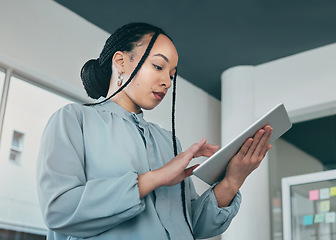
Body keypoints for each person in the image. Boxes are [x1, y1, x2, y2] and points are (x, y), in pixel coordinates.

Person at [36, 23, 273, 240]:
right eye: (158, 66)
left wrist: (233, 179)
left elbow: (193, 227)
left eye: (171, 75)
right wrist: (156, 177)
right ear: (120, 62)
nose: (168, 82)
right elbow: (59, 211)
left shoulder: (168, 142)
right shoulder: (74, 120)